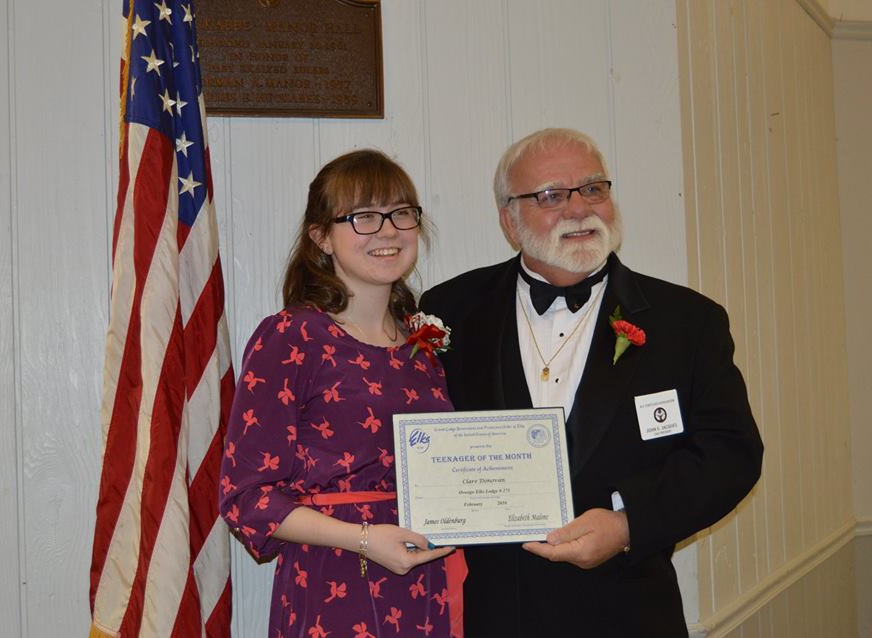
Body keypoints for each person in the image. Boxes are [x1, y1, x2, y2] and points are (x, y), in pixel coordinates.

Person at [419, 128, 763, 637]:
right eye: (552, 195)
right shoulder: (448, 312)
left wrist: (627, 525)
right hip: (492, 616)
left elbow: (731, 455)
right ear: (509, 221)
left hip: (630, 615)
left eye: (593, 189)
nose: (579, 209)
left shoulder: (688, 321)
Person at [219, 150, 459, 638]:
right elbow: (245, 496)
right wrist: (365, 540)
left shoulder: (423, 345)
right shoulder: (291, 336)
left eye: (401, 212)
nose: (388, 230)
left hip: (427, 580)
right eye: (363, 217)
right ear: (321, 237)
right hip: (336, 581)